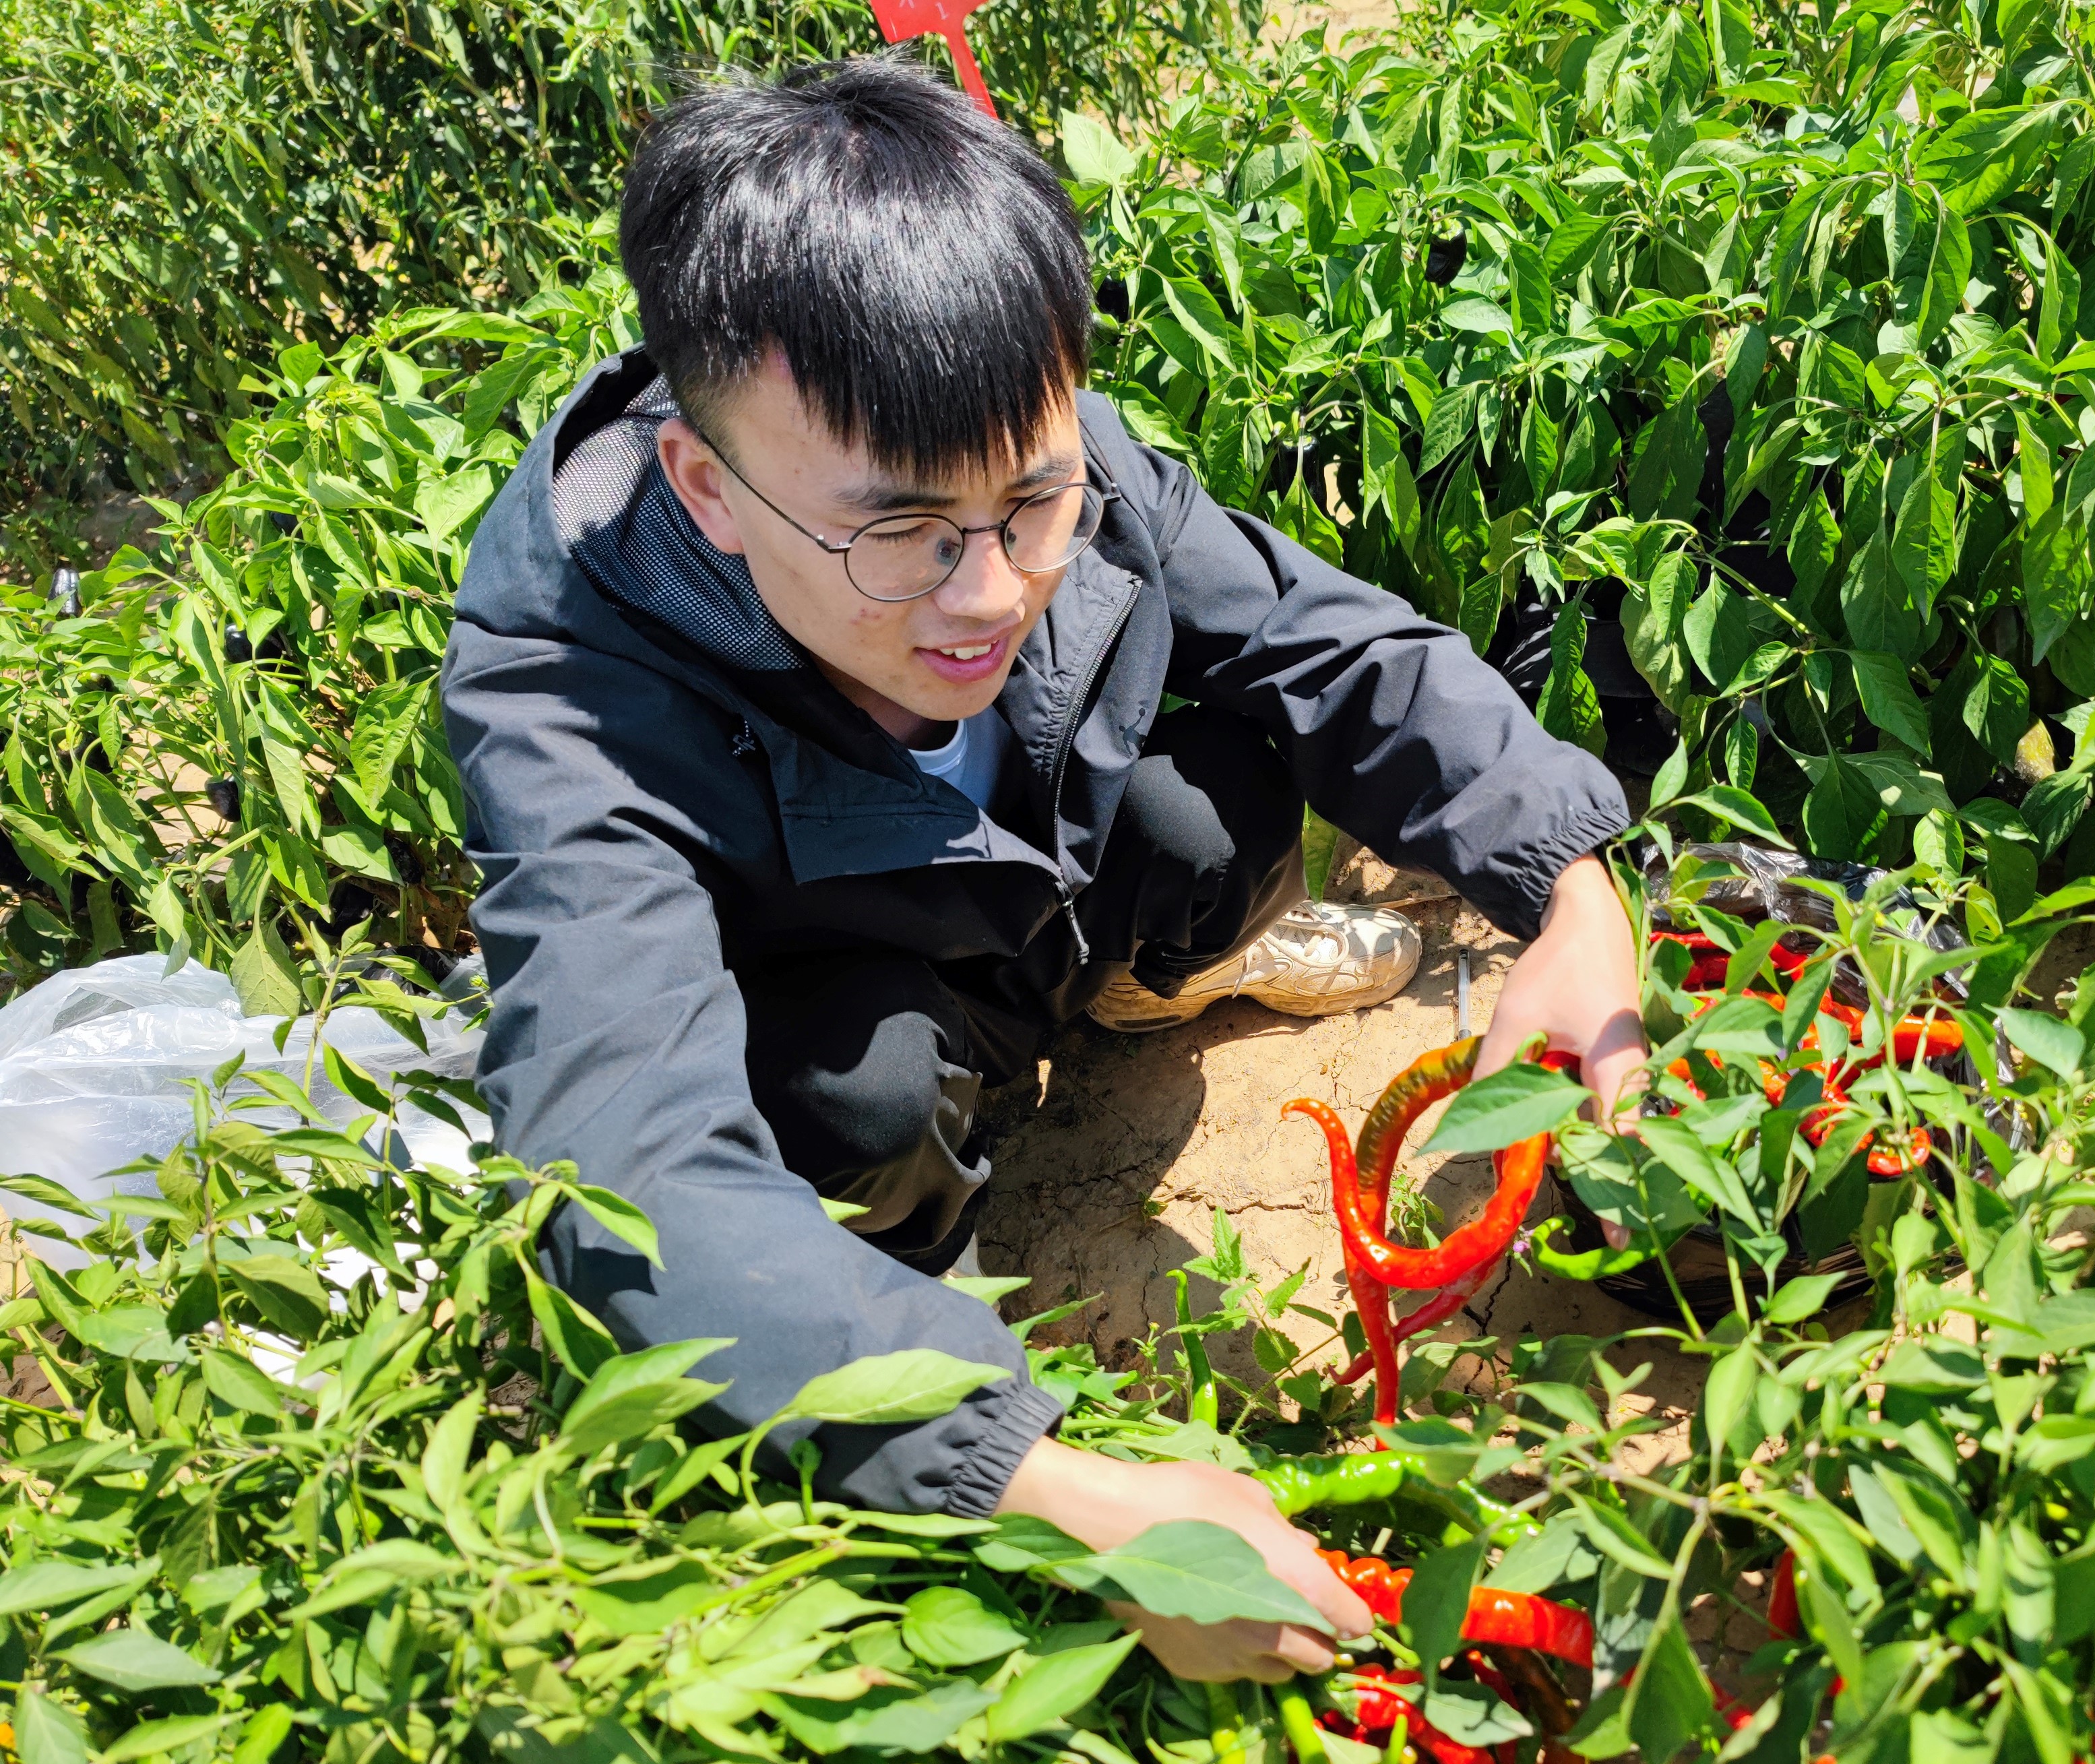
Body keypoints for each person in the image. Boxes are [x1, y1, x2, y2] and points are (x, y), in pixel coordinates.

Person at [439, 57, 1645, 1681]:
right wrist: (1038, 1480)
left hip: (1025, 896)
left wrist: (1568, 883)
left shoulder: (1024, 441)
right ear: (711, 493)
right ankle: (903, 1253)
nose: (991, 591)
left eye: (1035, 501)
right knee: (850, 1103)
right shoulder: (562, 681)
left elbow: (1330, 643)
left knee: (1221, 811)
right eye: (905, 535)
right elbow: (632, 1167)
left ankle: (1155, 989)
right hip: (849, 978)